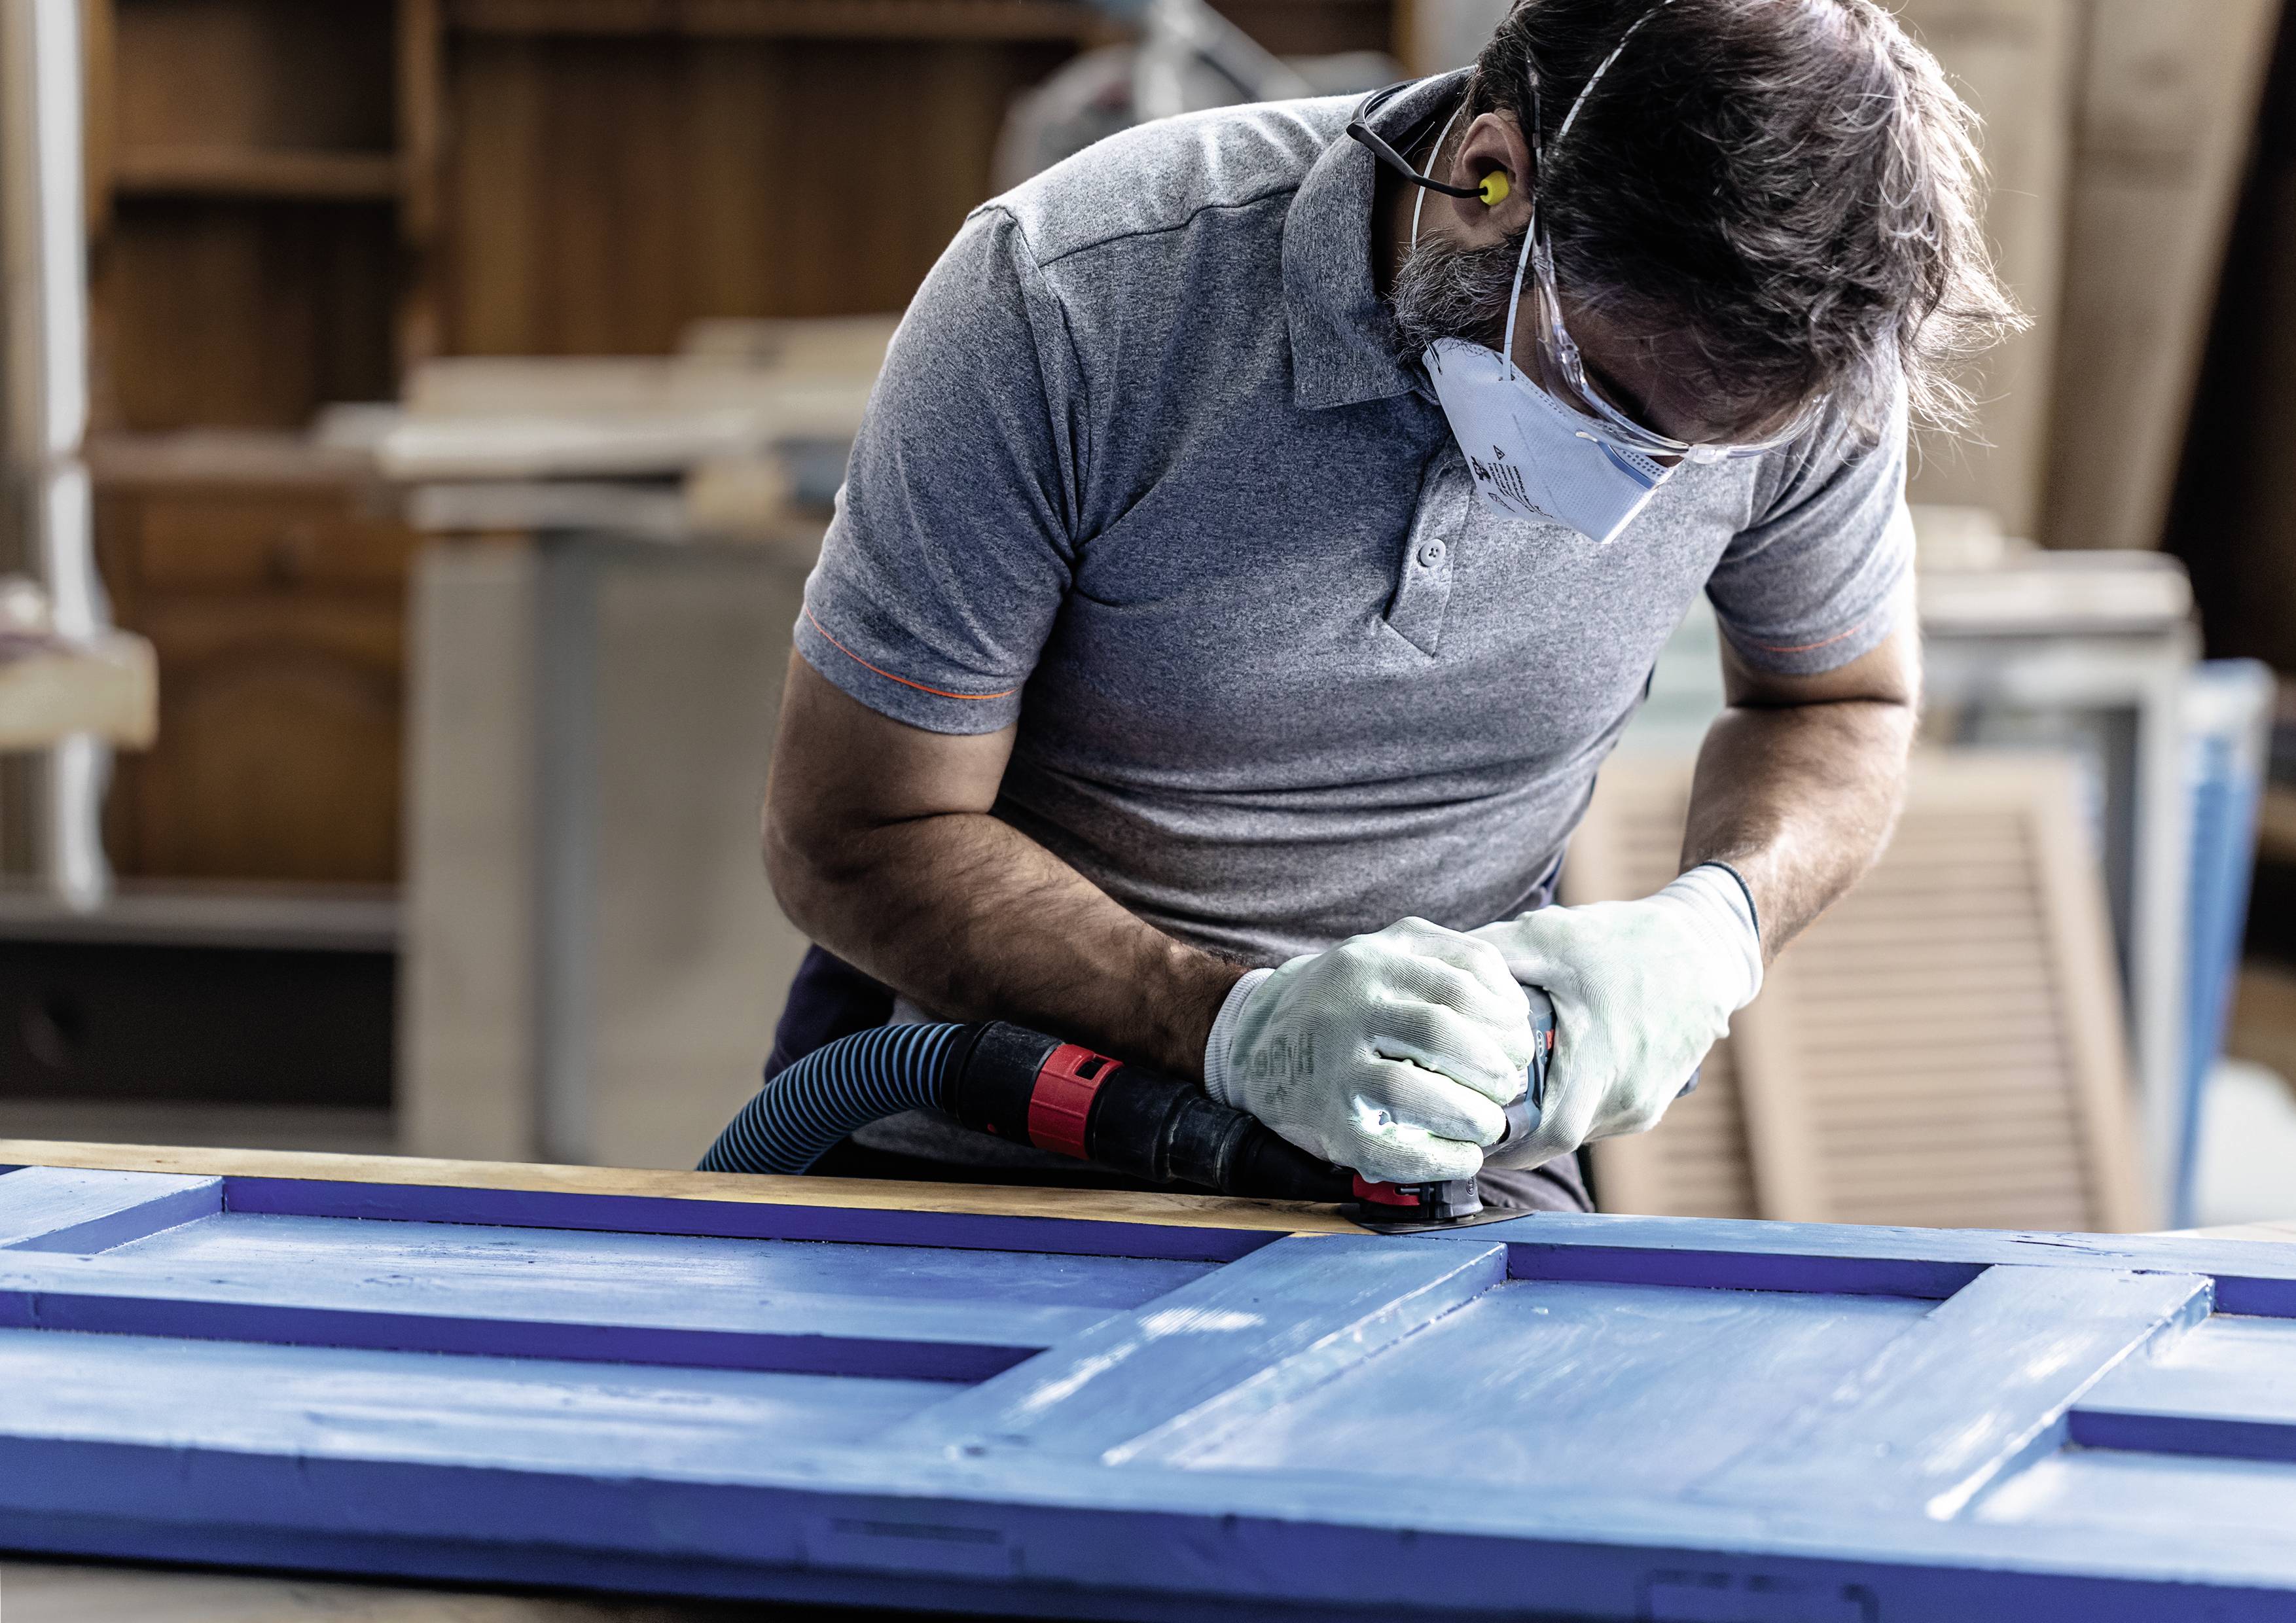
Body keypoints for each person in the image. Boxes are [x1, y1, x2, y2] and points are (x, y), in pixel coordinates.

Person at [755, 0, 2017, 1210]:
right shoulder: (1077, 296)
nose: (1641, 491)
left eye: (1707, 452)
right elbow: (853, 834)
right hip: (1009, 1120)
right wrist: (1226, 1024)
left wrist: (1717, 925)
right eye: (1617, 408)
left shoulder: (1787, 369)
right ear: (1488, 177)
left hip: (1434, 1158)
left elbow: (1844, 699)